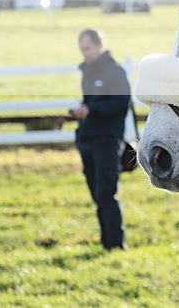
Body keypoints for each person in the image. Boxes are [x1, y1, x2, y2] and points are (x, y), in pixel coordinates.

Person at [72, 28, 130, 250]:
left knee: (107, 193)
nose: (84, 53)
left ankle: (116, 244)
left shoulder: (115, 71)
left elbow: (120, 103)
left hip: (107, 141)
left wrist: (91, 110)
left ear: (100, 45)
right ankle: (106, 242)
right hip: (87, 140)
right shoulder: (88, 71)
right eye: (82, 49)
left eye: (87, 48)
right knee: (97, 194)